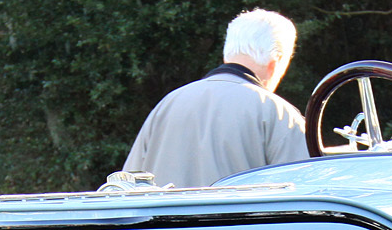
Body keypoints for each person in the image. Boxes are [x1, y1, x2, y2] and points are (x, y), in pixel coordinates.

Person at [123, 10, 307, 186]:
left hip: (163, 219)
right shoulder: (279, 114)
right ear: (276, 62)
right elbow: (306, 193)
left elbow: (125, 187)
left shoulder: (167, 104)